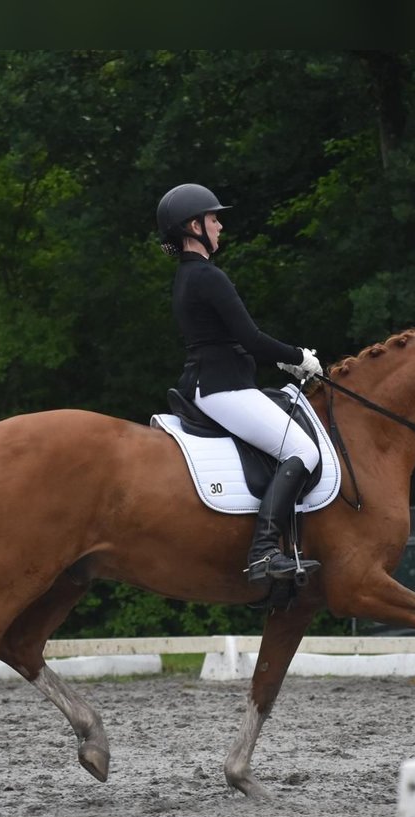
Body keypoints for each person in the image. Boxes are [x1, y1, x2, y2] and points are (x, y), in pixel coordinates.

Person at [157, 183, 323, 584]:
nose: (220, 225)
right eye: (213, 219)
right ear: (193, 225)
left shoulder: (187, 275)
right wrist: (299, 357)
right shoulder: (207, 276)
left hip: (213, 381)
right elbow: (250, 338)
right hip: (223, 387)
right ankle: (264, 551)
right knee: (303, 450)